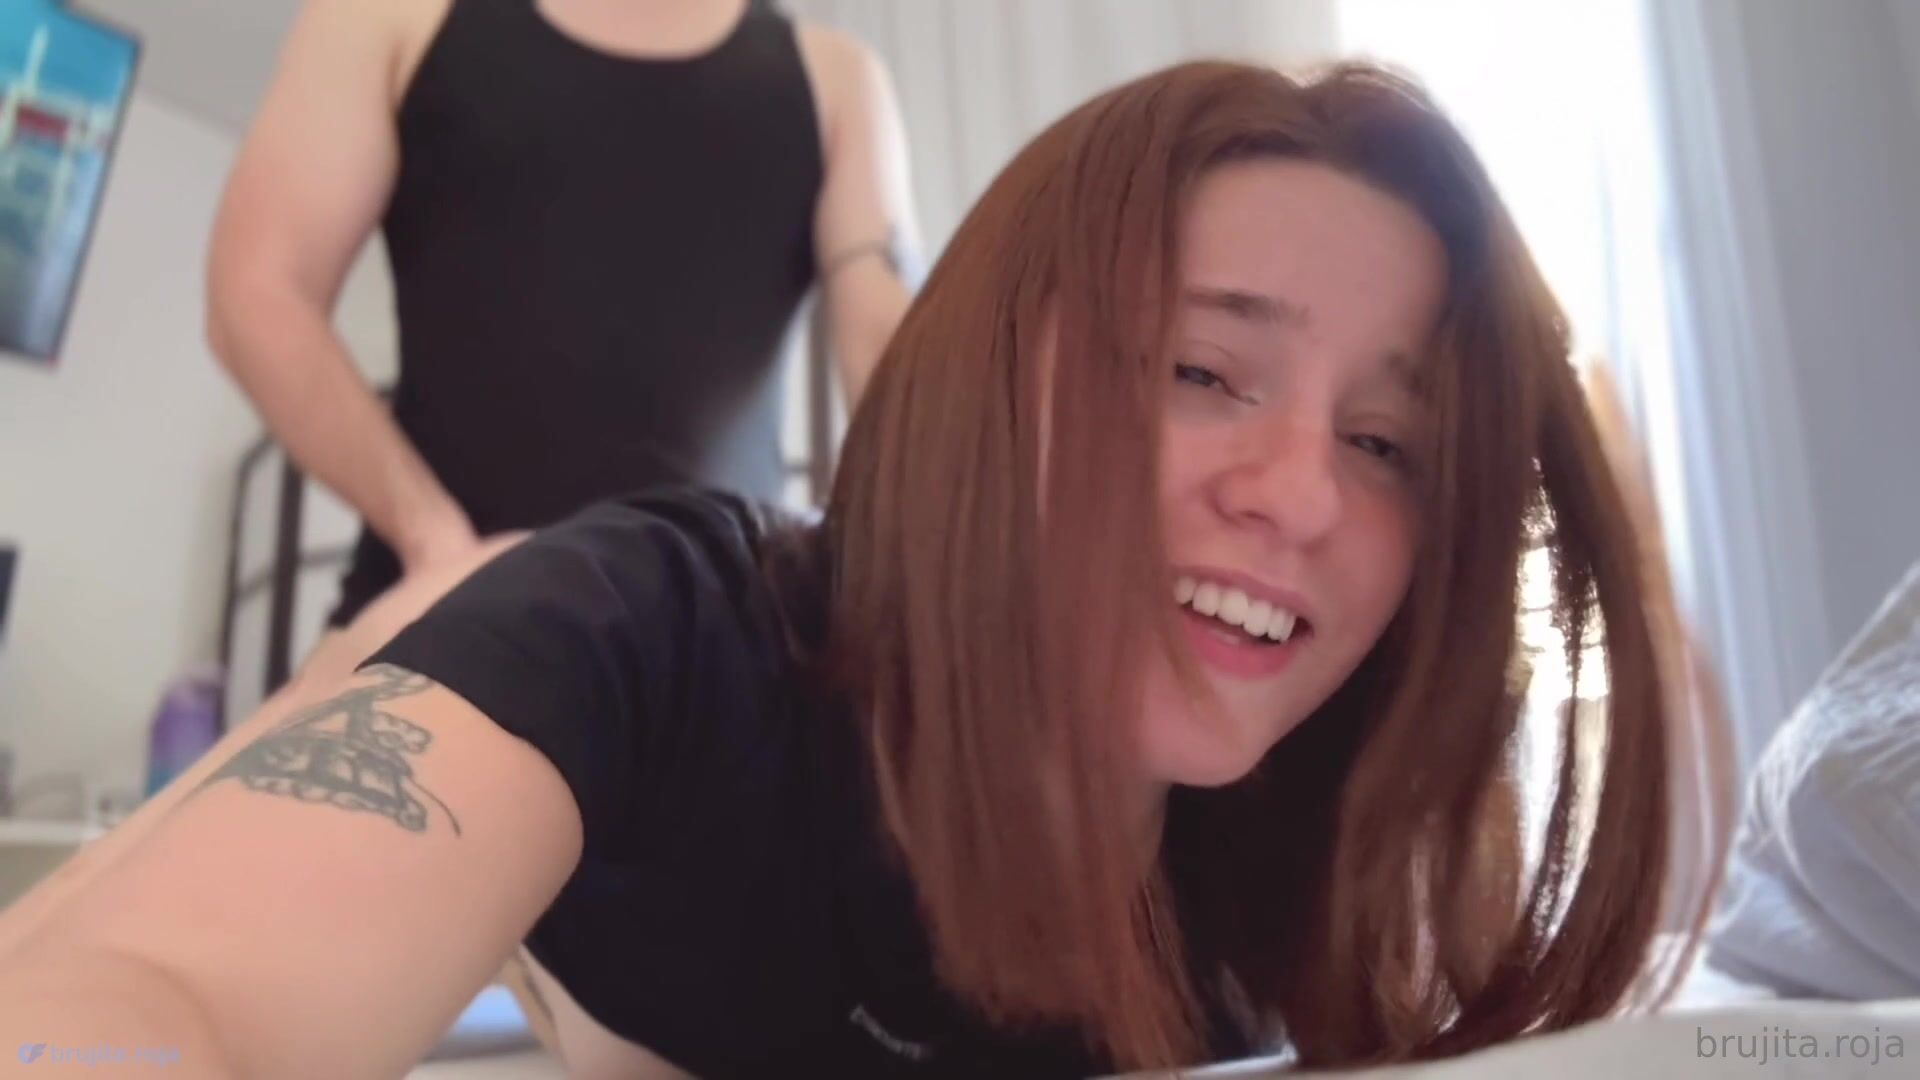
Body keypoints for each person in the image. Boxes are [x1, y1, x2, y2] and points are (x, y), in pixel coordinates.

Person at [0, 61, 1693, 1077]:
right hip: (535, 604)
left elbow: (873, 281)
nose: (1306, 495)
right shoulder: (670, 638)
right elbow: (155, 1003)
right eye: (1199, 369)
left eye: (1390, 447)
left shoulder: (1317, 866)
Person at [205, 0, 920, 635]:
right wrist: (435, 543)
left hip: (728, 647)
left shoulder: (838, 80)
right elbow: (259, 292)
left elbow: (893, 359)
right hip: (435, 613)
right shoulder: (388, 16)